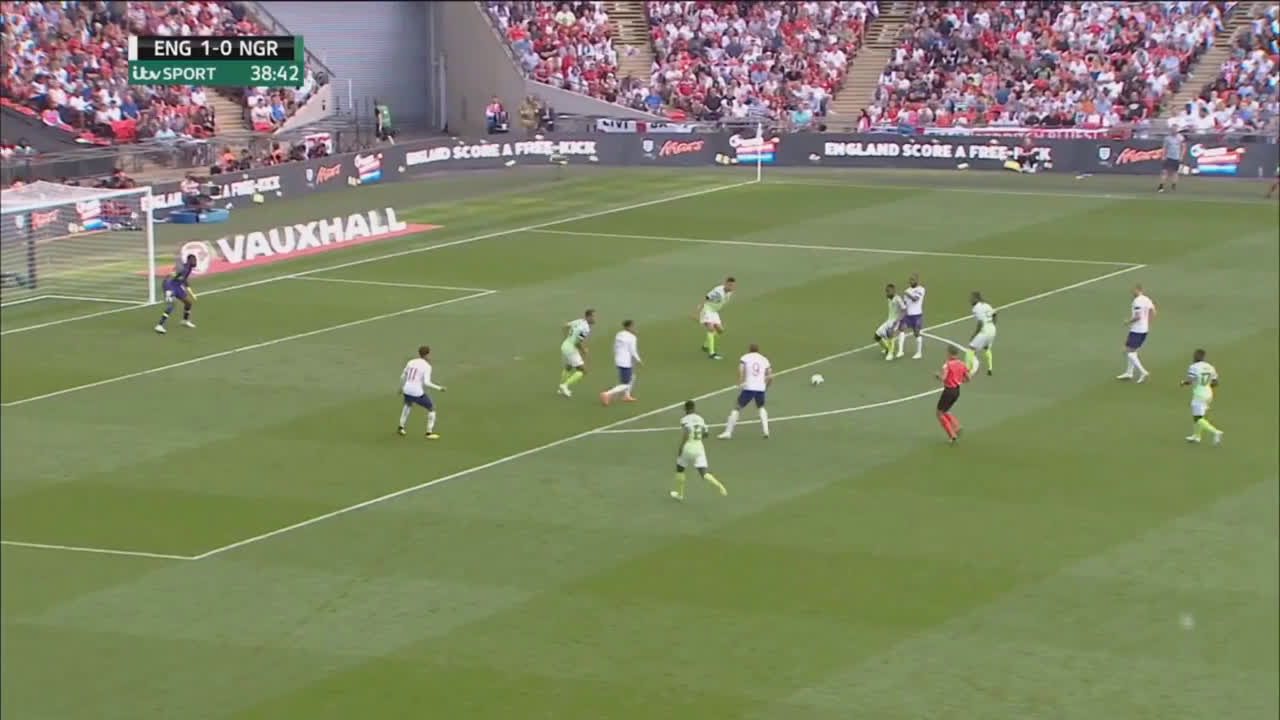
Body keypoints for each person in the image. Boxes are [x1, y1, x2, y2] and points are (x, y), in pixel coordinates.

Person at [672, 399, 727, 501]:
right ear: (694, 408)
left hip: (688, 447)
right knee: (704, 473)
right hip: (699, 448)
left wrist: (681, 448)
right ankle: (719, 485)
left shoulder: (684, 419)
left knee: (680, 469)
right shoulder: (701, 419)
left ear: (685, 409)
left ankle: (680, 494)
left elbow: (686, 433)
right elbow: (706, 434)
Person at [718, 343, 772, 439]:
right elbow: (770, 376)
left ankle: (728, 432)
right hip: (760, 388)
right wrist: (766, 387)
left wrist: (739, 382)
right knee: (761, 407)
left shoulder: (745, 357)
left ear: (749, 350)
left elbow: (741, 369)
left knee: (737, 408)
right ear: (758, 350)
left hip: (749, 387)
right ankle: (766, 431)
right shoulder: (764, 359)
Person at [398, 345, 446, 439]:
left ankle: (400, 427)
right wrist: (439, 388)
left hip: (406, 389)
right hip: (416, 392)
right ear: (427, 354)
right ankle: (428, 433)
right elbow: (427, 383)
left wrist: (401, 388)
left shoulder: (411, 362)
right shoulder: (427, 366)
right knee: (432, 409)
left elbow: (402, 376)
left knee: (407, 406)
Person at [1180, 348, 1223, 445]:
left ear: (1195, 357)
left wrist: (1183, 383)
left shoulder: (1193, 367)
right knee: (1200, 416)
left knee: (1198, 418)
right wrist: (1206, 385)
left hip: (1199, 395)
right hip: (1209, 394)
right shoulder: (1210, 367)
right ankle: (1197, 436)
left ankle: (1216, 432)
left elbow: (1190, 381)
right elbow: (1215, 383)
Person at [1118, 284, 1156, 383]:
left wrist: (1127, 322)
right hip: (1143, 329)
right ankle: (1129, 373)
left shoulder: (1137, 301)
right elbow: (1153, 311)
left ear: (1138, 290)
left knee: (1127, 351)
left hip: (1137, 330)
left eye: (1133, 290)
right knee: (1132, 351)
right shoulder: (1147, 299)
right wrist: (1147, 323)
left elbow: (1138, 316)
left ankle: (1143, 372)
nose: (1132, 292)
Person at [154, 254, 198, 334]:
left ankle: (185, 321)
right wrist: (167, 289)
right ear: (189, 260)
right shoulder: (182, 268)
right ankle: (159, 325)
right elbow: (170, 277)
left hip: (177, 286)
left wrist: (192, 294)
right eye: (194, 260)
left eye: (195, 260)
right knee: (171, 305)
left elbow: (184, 281)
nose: (195, 262)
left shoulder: (189, 268)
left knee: (188, 302)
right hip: (169, 286)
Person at [600, 319, 641, 405]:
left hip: (618, 360)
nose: (634, 328)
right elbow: (633, 351)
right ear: (629, 327)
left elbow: (614, 346)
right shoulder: (632, 337)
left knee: (632, 377)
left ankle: (626, 395)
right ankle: (607, 394)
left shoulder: (619, 334)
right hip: (626, 362)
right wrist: (638, 360)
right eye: (633, 326)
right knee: (625, 384)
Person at [935, 345, 970, 444]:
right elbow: (968, 378)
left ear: (949, 353)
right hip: (957, 391)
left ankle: (952, 436)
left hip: (948, 391)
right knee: (945, 410)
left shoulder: (947, 365)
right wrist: (958, 380)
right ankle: (957, 426)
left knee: (939, 413)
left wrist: (938, 376)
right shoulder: (962, 364)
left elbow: (944, 378)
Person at [557, 309, 595, 397]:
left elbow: (565, 326)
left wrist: (567, 338)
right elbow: (577, 342)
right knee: (583, 371)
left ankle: (561, 389)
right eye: (593, 316)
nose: (594, 319)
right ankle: (565, 386)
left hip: (565, 346)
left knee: (568, 367)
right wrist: (584, 350)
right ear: (588, 317)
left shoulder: (579, 321)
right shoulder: (586, 328)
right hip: (571, 350)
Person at [697, 276, 735, 359]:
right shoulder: (717, 291)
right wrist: (700, 308)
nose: (731, 287)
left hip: (714, 311)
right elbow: (706, 297)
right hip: (707, 309)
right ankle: (712, 353)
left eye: (732, 285)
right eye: (729, 285)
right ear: (725, 284)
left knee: (720, 330)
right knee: (711, 328)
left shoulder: (730, 293)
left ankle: (705, 346)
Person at [966, 291, 997, 376]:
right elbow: (995, 314)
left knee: (971, 348)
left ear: (976, 298)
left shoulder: (976, 308)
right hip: (992, 329)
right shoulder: (987, 305)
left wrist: (974, 334)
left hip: (984, 330)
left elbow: (980, 323)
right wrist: (993, 325)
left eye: (972, 298)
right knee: (986, 348)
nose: (970, 300)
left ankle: (967, 369)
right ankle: (990, 368)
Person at [874, 283, 906, 360]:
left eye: (888, 291)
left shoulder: (898, 299)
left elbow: (904, 311)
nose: (887, 293)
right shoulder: (889, 298)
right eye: (886, 291)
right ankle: (887, 349)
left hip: (896, 321)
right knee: (876, 336)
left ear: (894, 291)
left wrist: (897, 321)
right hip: (889, 321)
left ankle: (890, 354)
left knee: (890, 332)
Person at [899, 273, 926, 359]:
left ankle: (919, 352)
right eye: (910, 280)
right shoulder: (907, 290)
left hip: (917, 315)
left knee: (916, 333)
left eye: (913, 280)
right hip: (908, 315)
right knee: (901, 329)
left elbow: (915, 299)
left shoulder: (921, 289)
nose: (911, 281)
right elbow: (905, 303)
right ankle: (900, 351)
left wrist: (907, 294)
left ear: (917, 280)